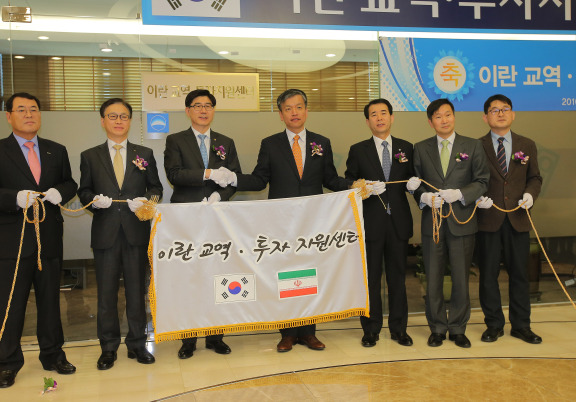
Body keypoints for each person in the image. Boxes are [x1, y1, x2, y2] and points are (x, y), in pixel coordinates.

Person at [211, 88, 359, 353]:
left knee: (311, 275)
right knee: (286, 276)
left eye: (299, 107)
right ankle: (288, 334)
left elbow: (331, 179)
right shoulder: (271, 144)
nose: (294, 112)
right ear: (280, 115)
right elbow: (259, 180)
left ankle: (309, 333)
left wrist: (356, 186)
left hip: (314, 224)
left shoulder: (320, 142)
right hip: (281, 224)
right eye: (288, 108)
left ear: (306, 110)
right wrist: (234, 178)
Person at [0, 92, 78, 388]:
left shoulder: (55, 150)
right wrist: (14, 197)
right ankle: (7, 363)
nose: (29, 114)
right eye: (21, 110)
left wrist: (62, 192)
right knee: (11, 306)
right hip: (12, 244)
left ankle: (53, 355)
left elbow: (69, 182)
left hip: (48, 240)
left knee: (50, 303)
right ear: (9, 116)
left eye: (34, 109)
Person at [78, 98, 162, 370]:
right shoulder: (90, 155)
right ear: (103, 121)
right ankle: (108, 348)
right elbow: (84, 192)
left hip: (136, 233)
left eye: (123, 116)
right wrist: (94, 201)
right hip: (105, 233)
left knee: (137, 293)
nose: (118, 121)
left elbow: (156, 188)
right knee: (106, 294)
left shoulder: (145, 154)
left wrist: (147, 203)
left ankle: (138, 344)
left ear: (130, 121)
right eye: (112, 116)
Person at [163, 89, 241, 359]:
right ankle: (188, 338)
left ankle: (215, 335)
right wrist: (208, 173)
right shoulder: (175, 140)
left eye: (208, 106)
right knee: (189, 278)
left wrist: (222, 193)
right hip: (186, 219)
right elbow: (175, 175)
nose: (203, 110)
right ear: (188, 111)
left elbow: (234, 178)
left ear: (214, 110)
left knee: (218, 275)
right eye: (197, 106)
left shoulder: (226, 142)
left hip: (219, 218)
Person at [412, 98, 489, 349]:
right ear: (429, 121)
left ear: (454, 117)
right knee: (432, 277)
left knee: (460, 277)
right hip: (432, 222)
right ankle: (436, 327)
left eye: (447, 115)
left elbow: (482, 181)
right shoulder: (421, 148)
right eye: (438, 116)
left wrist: (462, 194)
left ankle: (457, 328)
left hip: (462, 221)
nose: (443, 120)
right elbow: (416, 183)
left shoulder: (473, 145)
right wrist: (422, 196)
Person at [345, 98, 421, 348]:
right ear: (367, 121)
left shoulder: (406, 147)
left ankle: (399, 329)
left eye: (384, 113)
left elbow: (414, 179)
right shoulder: (358, 150)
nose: (379, 118)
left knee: (398, 279)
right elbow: (348, 183)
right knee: (371, 279)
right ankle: (370, 329)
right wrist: (363, 187)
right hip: (371, 223)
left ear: (392, 117)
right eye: (374, 114)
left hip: (398, 222)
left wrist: (414, 184)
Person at [475, 94, 543, 344]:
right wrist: (477, 198)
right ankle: (493, 324)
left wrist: (529, 195)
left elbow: (535, 177)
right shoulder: (476, 146)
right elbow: (472, 179)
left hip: (518, 218)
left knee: (520, 275)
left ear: (513, 114)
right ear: (485, 117)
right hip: (487, 219)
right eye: (494, 110)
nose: (500, 113)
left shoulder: (527, 144)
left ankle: (521, 325)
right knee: (488, 275)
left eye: (505, 109)